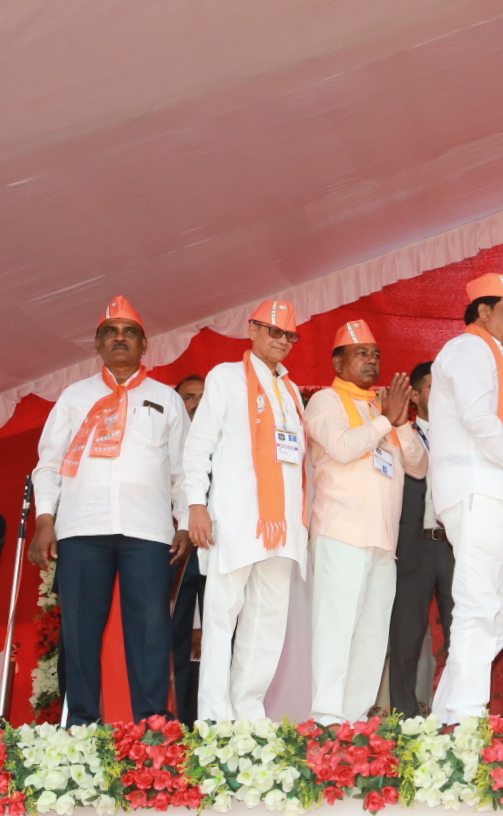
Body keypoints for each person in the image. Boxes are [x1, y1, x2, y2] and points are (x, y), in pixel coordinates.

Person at [30, 296, 190, 726]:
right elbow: (47, 463)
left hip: (149, 530)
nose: (120, 339)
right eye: (110, 332)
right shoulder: (73, 397)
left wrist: (187, 522)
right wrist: (46, 518)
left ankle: (152, 730)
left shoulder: (166, 400)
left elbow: (183, 470)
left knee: (151, 632)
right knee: (80, 632)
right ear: (97, 344)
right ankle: (80, 728)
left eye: (130, 332)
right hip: (81, 528)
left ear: (144, 345)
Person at [185, 299, 308, 721]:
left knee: (269, 619)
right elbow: (198, 445)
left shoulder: (291, 391)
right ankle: (215, 719)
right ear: (252, 329)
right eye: (274, 331)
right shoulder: (226, 377)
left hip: (284, 526)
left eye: (290, 335)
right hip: (235, 519)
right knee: (221, 617)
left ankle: (249, 709)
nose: (283, 341)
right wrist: (196, 506)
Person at [427, 274, 503, 723]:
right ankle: (469, 720)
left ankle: (446, 716)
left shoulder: (496, 358)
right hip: (479, 489)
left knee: (497, 614)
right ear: (483, 312)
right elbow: (478, 417)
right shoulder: (469, 348)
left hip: (500, 494)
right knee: (478, 604)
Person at [305, 320, 426, 723]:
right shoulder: (325, 400)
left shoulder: (383, 408)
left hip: (383, 543)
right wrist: (383, 422)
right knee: (336, 628)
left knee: (372, 637)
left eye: (376, 355)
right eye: (362, 354)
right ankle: (325, 718)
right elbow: (340, 448)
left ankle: (354, 724)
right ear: (338, 362)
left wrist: (399, 421)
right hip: (340, 533)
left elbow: (420, 467)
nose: (372, 361)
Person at [387, 361, 451, 717]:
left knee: (463, 634)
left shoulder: (461, 435)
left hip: (455, 545)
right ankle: (405, 718)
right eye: (431, 387)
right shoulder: (398, 433)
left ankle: (455, 714)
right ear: (414, 394)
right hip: (413, 545)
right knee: (406, 637)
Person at [171, 373, 209, 725]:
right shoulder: (166, 443)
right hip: (178, 555)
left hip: (219, 553)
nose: (196, 403)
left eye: (202, 396)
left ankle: (218, 724)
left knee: (222, 644)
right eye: (189, 397)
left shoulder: (223, 442)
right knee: (176, 643)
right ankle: (179, 726)